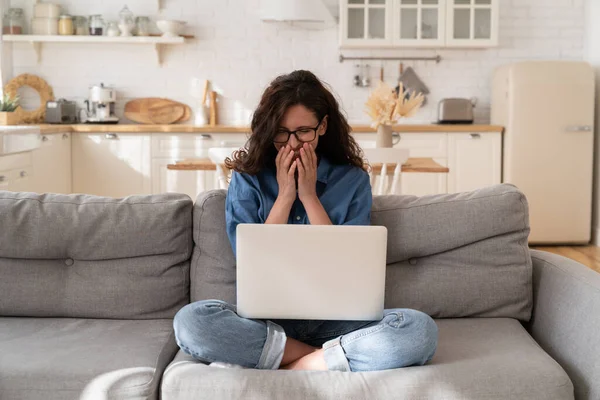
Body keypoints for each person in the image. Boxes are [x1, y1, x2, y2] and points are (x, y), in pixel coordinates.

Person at [173, 70, 438, 372]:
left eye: (303, 132)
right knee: (191, 322)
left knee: (419, 330)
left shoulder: (352, 180)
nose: (292, 144)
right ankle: (321, 358)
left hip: (339, 321)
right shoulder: (248, 181)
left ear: (323, 126)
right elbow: (255, 262)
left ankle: (289, 361)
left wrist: (310, 196)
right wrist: (286, 195)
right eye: (281, 132)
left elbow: (345, 265)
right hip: (267, 322)